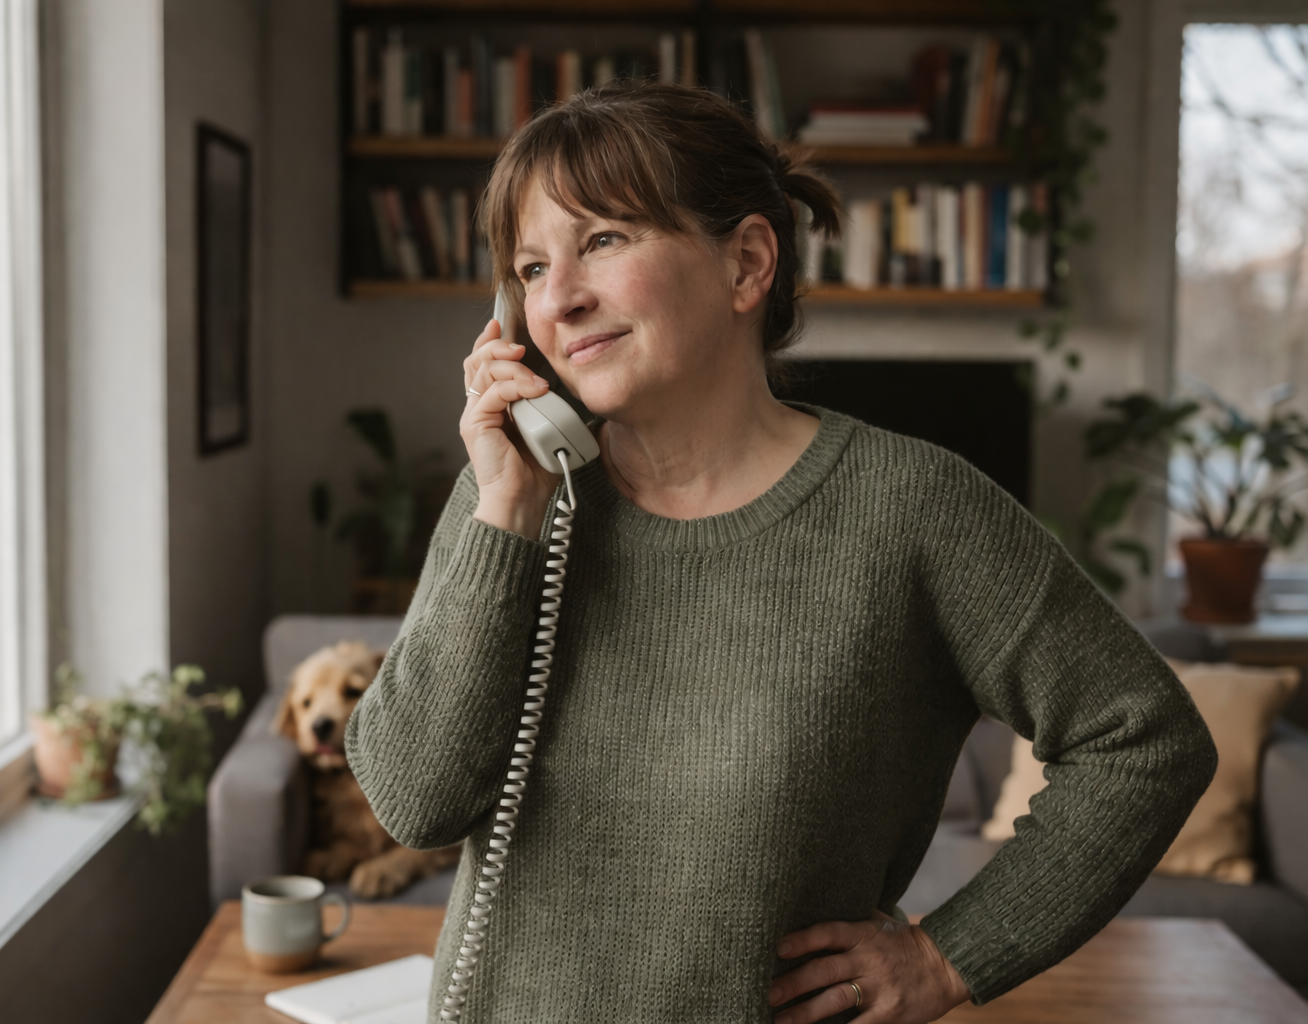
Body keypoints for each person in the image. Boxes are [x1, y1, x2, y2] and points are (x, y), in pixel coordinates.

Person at [345, 81, 1215, 1024]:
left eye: (604, 239)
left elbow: (1144, 739)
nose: (557, 298)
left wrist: (948, 957)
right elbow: (413, 804)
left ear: (747, 262)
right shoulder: (509, 493)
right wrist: (507, 510)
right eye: (527, 266)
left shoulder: (914, 510)